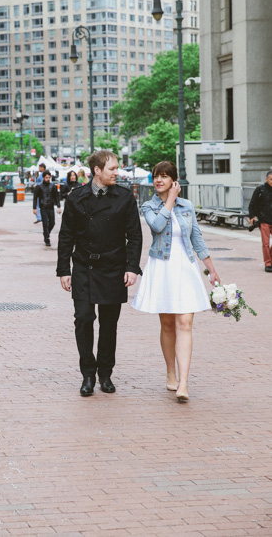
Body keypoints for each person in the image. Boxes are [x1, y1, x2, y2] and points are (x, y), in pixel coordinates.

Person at [131, 161, 221, 403]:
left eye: (165, 176)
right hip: (162, 267)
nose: (159, 179)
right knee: (168, 325)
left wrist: (211, 269)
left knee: (184, 323)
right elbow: (157, 226)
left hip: (186, 267)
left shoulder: (187, 206)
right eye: (156, 176)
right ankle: (170, 371)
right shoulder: (149, 205)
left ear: (173, 179)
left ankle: (183, 382)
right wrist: (169, 200)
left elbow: (197, 238)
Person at [57, 150, 142, 397]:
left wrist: (132, 267)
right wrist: (64, 270)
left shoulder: (125, 198)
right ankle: (87, 374)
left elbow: (134, 236)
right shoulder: (76, 197)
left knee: (108, 324)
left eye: (117, 168)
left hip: (113, 268)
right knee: (83, 319)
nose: (117, 172)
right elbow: (66, 237)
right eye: (112, 168)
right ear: (97, 170)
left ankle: (105, 374)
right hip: (84, 267)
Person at [248, 170, 272, 272]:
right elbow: (252, 204)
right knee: (265, 244)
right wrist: (252, 217)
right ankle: (268, 263)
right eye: (271, 179)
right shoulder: (260, 189)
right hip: (264, 220)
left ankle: (270, 259)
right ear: (266, 179)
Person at [33, 170, 61, 246]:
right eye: (46, 177)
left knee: (52, 223)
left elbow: (56, 197)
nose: (48, 179)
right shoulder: (39, 186)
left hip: (51, 207)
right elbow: (35, 198)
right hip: (43, 207)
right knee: (45, 223)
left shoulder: (53, 186)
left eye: (49, 177)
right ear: (43, 177)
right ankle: (47, 238)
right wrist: (34, 208)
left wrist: (59, 206)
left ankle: (46, 232)